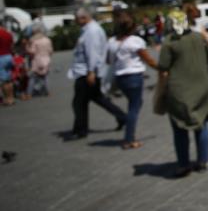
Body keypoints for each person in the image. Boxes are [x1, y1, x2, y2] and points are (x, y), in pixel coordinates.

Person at [158, 2, 208, 177]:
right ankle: (202, 160)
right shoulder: (198, 37)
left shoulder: (169, 43)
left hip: (179, 90)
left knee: (180, 128)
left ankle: (183, 164)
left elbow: (163, 66)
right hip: (202, 86)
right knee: (201, 123)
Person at [66, 8, 127, 140]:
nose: (76, 21)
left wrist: (91, 71)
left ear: (83, 17)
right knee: (97, 98)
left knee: (79, 102)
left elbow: (92, 52)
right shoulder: (89, 30)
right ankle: (122, 117)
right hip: (87, 71)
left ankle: (80, 130)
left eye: (77, 18)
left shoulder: (91, 31)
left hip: (87, 72)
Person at [109, 9, 159, 149]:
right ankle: (129, 139)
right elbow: (149, 60)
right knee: (134, 108)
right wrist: (162, 68)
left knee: (133, 104)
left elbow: (108, 61)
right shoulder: (135, 41)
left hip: (120, 77)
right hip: (134, 77)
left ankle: (129, 137)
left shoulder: (112, 42)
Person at [27, 24, 53, 97]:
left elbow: (32, 52)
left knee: (33, 77)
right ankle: (48, 92)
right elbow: (50, 51)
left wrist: (27, 48)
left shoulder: (34, 41)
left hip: (37, 60)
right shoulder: (47, 40)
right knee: (45, 77)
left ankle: (29, 93)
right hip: (46, 59)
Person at [0, 23, 15, 106]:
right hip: (9, 56)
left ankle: (7, 99)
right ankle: (12, 98)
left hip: (1, 57)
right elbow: (12, 46)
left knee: (3, 81)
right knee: (9, 80)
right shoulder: (8, 34)